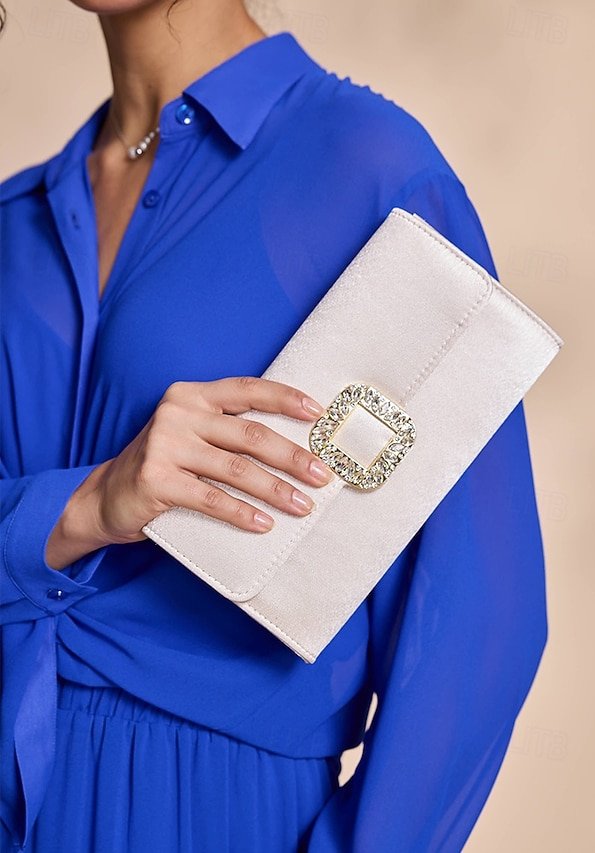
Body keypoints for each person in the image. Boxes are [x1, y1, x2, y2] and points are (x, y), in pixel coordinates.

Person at [0, 1, 550, 851]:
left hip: (210, 810)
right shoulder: (17, 219)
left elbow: (479, 625)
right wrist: (84, 504)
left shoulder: (368, 169)